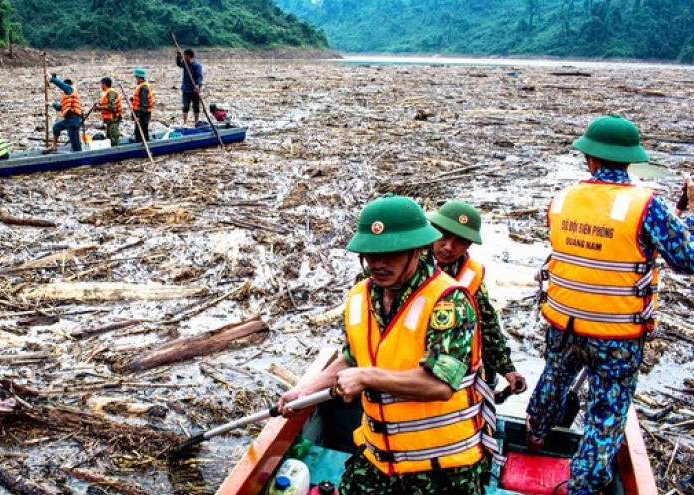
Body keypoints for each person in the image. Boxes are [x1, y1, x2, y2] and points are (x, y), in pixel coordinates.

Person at [279, 194, 497, 495]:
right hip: (379, 454)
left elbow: (441, 385)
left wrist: (367, 377)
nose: (378, 264)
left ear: (417, 250)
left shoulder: (449, 300)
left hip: (441, 467)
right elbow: (353, 358)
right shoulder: (361, 296)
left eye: (390, 254)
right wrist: (306, 390)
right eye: (371, 253)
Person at [526, 114, 694, 495]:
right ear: (629, 160)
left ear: (590, 159)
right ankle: (584, 484)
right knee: (605, 413)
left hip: (564, 323)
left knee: (554, 377)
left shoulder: (562, 199)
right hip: (616, 335)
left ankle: (535, 432)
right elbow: (686, 259)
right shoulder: (647, 205)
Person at [426, 201, 527, 396]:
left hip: (450, 366)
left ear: (469, 245)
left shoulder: (472, 275)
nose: (448, 247)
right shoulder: (408, 262)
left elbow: (487, 325)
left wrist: (508, 370)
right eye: (444, 237)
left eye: (460, 242)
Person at [46, 74, 83, 152]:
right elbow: (61, 107)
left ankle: (80, 158)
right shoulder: (68, 95)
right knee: (56, 127)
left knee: (75, 144)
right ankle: (54, 146)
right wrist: (51, 104)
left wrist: (51, 78)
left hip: (73, 120)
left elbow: (61, 85)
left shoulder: (70, 89)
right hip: (68, 120)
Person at [175, 48, 203, 126]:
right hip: (186, 89)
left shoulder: (197, 65)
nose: (183, 57)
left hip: (195, 90)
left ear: (189, 56)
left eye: (184, 56)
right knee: (185, 106)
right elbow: (179, 64)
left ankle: (196, 122)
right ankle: (185, 122)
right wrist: (178, 56)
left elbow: (199, 77)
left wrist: (198, 85)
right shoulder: (185, 64)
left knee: (196, 106)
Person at [92, 77, 122, 147]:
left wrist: (99, 107)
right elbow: (105, 106)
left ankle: (116, 150)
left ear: (104, 84)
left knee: (114, 136)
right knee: (109, 136)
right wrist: (97, 108)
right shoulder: (106, 93)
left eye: (101, 84)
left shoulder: (111, 93)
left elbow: (111, 107)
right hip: (108, 119)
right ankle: (111, 148)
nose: (101, 86)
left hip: (114, 118)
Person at [130, 68, 153, 143]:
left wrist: (138, 116)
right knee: (140, 131)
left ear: (139, 77)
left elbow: (144, 104)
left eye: (136, 77)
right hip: (143, 112)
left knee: (142, 131)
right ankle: (140, 143)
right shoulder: (142, 86)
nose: (136, 79)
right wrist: (132, 100)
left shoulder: (144, 87)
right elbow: (140, 100)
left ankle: (142, 146)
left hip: (143, 114)